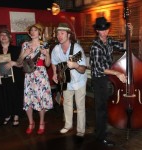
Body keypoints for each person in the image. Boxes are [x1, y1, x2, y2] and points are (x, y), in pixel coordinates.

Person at [89, 17, 133, 146]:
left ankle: (101, 130)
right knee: (101, 109)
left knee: (104, 107)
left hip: (107, 78)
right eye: (102, 30)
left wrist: (129, 33)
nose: (105, 32)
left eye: (106, 29)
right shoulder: (95, 46)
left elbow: (124, 46)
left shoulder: (108, 41)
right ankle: (101, 138)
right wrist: (118, 73)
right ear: (97, 30)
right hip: (99, 79)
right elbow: (100, 68)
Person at [51, 23, 87, 137]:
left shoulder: (76, 49)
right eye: (58, 33)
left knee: (80, 105)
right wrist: (54, 73)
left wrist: (76, 65)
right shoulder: (56, 49)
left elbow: (82, 69)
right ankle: (68, 125)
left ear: (68, 35)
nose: (59, 36)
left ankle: (81, 130)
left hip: (79, 81)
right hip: (66, 80)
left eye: (62, 33)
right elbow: (53, 62)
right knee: (67, 103)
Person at [17, 23, 53, 134]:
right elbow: (19, 63)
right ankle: (31, 122)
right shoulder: (25, 45)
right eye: (31, 30)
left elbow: (47, 64)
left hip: (41, 75)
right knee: (28, 99)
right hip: (29, 76)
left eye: (35, 30)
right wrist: (24, 54)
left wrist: (46, 55)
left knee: (41, 99)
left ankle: (41, 123)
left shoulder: (45, 44)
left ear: (40, 32)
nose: (33, 32)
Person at [0, 29, 24, 127]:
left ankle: (16, 116)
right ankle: (7, 114)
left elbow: (22, 64)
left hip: (16, 77)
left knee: (15, 95)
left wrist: (13, 63)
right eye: (1, 35)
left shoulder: (17, 49)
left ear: (9, 37)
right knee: (2, 96)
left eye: (5, 35)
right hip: (1, 78)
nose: (3, 36)